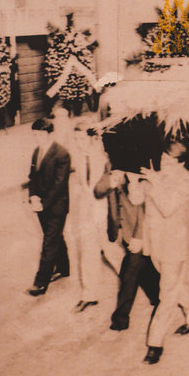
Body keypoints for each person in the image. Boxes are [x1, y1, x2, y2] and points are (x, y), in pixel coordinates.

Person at [139, 139, 189, 365]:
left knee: (166, 293)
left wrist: (155, 182)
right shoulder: (157, 175)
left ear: (181, 163)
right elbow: (138, 199)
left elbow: (167, 208)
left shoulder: (187, 181)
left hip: (174, 246)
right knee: (175, 284)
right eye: (163, 159)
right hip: (155, 243)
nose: (163, 163)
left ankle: (155, 343)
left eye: (169, 161)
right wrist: (132, 183)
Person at [94, 166, 160, 332]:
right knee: (144, 268)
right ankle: (158, 297)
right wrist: (111, 181)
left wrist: (139, 236)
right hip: (123, 231)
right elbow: (98, 191)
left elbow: (144, 209)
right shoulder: (111, 165)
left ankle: (120, 320)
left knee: (128, 274)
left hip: (138, 232)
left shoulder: (139, 168)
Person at [25, 117, 71, 296]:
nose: (37, 138)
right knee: (55, 237)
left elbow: (59, 185)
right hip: (41, 204)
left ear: (50, 134)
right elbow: (32, 178)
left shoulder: (62, 154)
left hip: (56, 206)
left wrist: (42, 204)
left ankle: (40, 283)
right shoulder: (37, 151)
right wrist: (33, 196)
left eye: (41, 135)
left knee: (49, 243)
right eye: (35, 135)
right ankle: (64, 268)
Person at [67, 122, 109, 312]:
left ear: (93, 138)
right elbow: (83, 184)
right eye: (76, 139)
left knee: (113, 252)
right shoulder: (79, 157)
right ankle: (89, 294)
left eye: (82, 138)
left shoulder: (102, 157)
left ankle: (147, 285)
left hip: (103, 211)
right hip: (87, 212)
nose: (79, 142)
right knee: (88, 251)